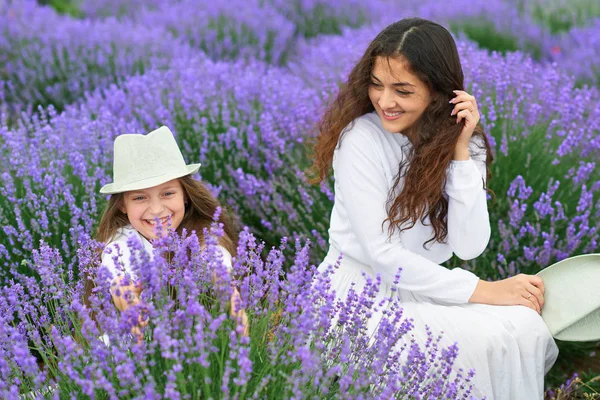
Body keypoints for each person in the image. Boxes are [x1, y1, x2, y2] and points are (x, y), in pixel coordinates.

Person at [311, 18, 558, 399]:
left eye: (403, 90)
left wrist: (460, 154)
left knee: (524, 326)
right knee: (475, 343)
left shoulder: (462, 142)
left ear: (439, 93)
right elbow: (382, 256)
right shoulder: (360, 140)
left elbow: (470, 246)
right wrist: (487, 290)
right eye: (376, 85)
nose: (385, 101)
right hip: (358, 299)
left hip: (425, 292)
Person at [89, 126, 248, 345]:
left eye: (167, 193)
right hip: (136, 348)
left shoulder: (202, 230)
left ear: (185, 195)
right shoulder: (123, 239)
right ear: (122, 206)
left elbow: (214, 257)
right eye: (139, 198)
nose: (156, 210)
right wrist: (121, 289)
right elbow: (117, 262)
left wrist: (227, 288)